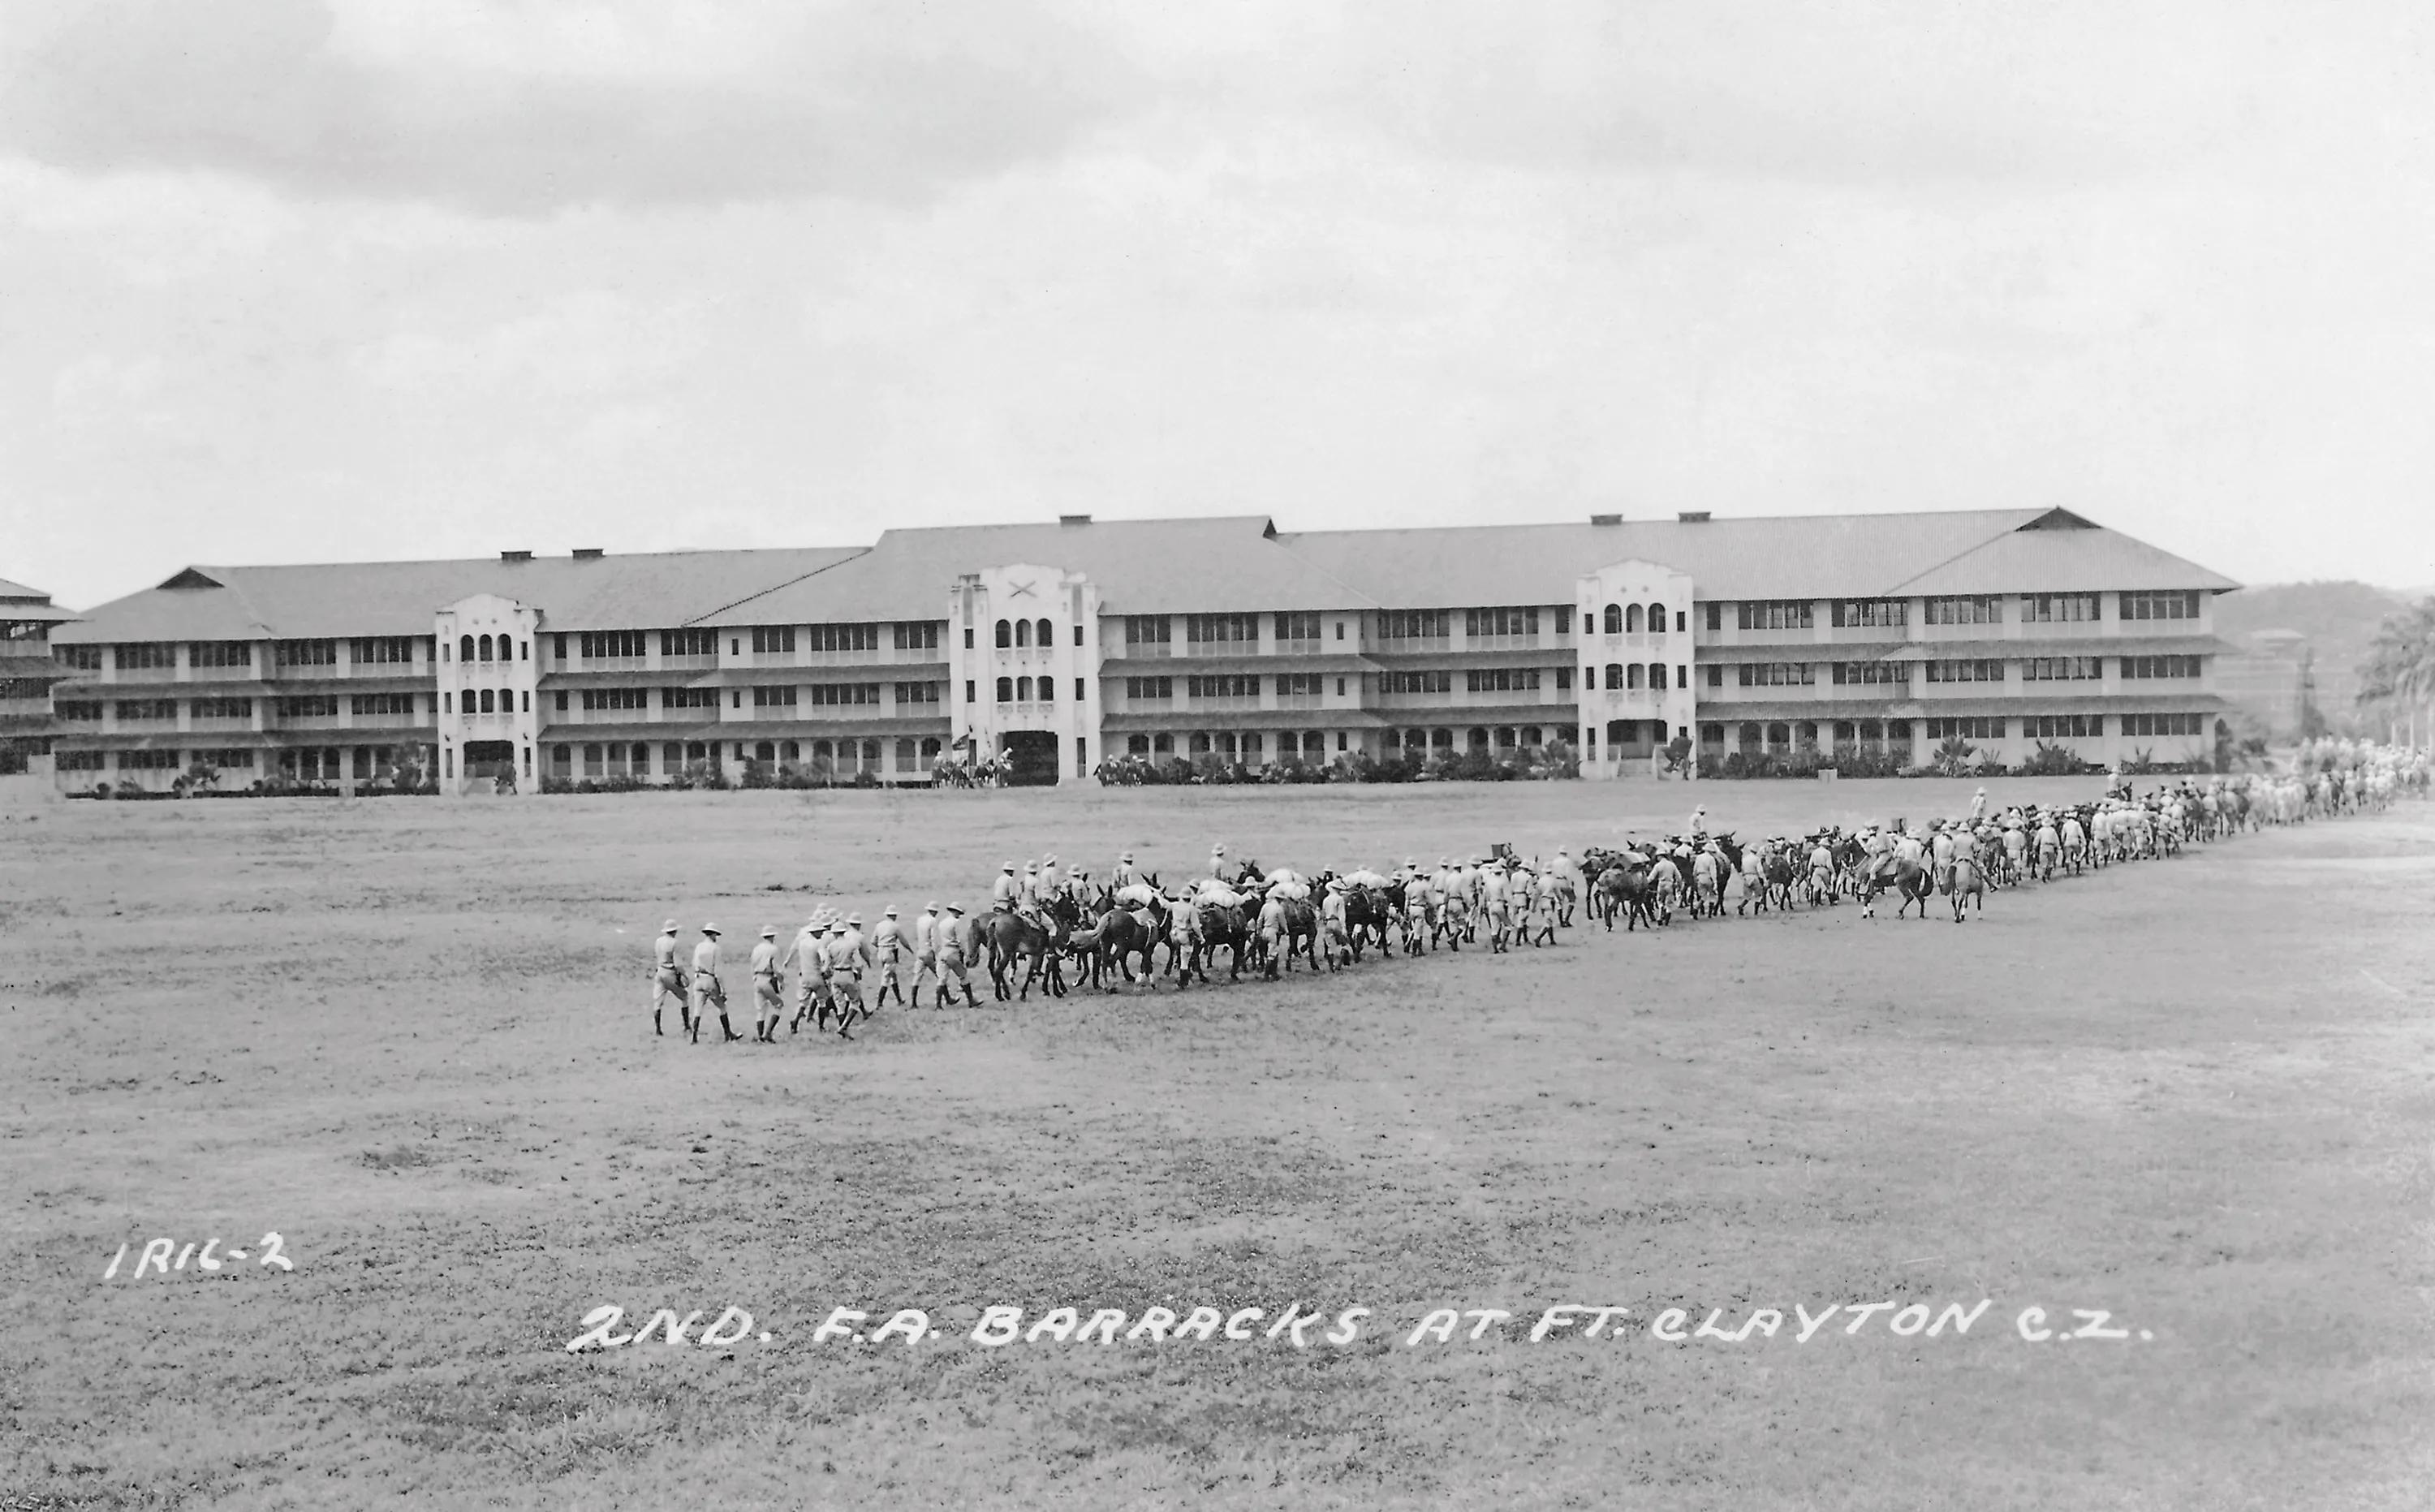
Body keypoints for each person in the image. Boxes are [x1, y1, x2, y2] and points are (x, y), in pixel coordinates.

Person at [690, 924, 739, 1044]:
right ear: (713, 935)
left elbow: (694, 963)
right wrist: (722, 989)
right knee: (722, 1007)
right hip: (710, 979)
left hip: (698, 978)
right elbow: (718, 971)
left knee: (698, 1009)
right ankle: (728, 1034)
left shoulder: (699, 947)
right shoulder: (715, 948)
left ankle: (694, 1036)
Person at [650, 919, 688, 1037]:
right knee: (684, 997)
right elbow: (678, 964)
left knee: (658, 1002)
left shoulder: (658, 941)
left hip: (660, 971)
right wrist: (685, 975)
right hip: (670, 972)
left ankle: (658, 1029)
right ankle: (686, 1025)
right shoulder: (674, 943)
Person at [935, 903, 978, 1007]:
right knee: (963, 976)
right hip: (953, 952)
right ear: (955, 912)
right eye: (959, 913)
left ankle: (938, 1005)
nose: (959, 915)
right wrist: (967, 953)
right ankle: (971, 1001)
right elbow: (961, 940)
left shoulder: (942, 922)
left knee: (942, 979)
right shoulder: (956, 923)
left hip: (943, 951)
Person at [749, 927, 783, 1043]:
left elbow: (752, 964)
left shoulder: (756, 949)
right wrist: (782, 981)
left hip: (757, 978)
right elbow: (777, 969)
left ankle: (760, 1036)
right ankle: (768, 1033)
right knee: (778, 1005)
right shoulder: (774, 949)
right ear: (773, 936)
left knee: (761, 1010)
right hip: (768, 978)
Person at [909, 902, 943, 1007]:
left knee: (917, 977)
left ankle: (913, 1003)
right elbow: (934, 939)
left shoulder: (920, 919)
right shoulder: (933, 921)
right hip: (929, 951)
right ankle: (941, 1003)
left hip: (920, 950)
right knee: (940, 975)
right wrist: (936, 953)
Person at [873, 906, 907, 1009]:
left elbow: (873, 941)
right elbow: (903, 941)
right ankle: (879, 1003)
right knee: (886, 977)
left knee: (892, 975)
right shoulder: (895, 926)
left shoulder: (879, 925)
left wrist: (881, 946)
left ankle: (899, 999)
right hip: (890, 952)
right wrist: (909, 949)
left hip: (881, 952)